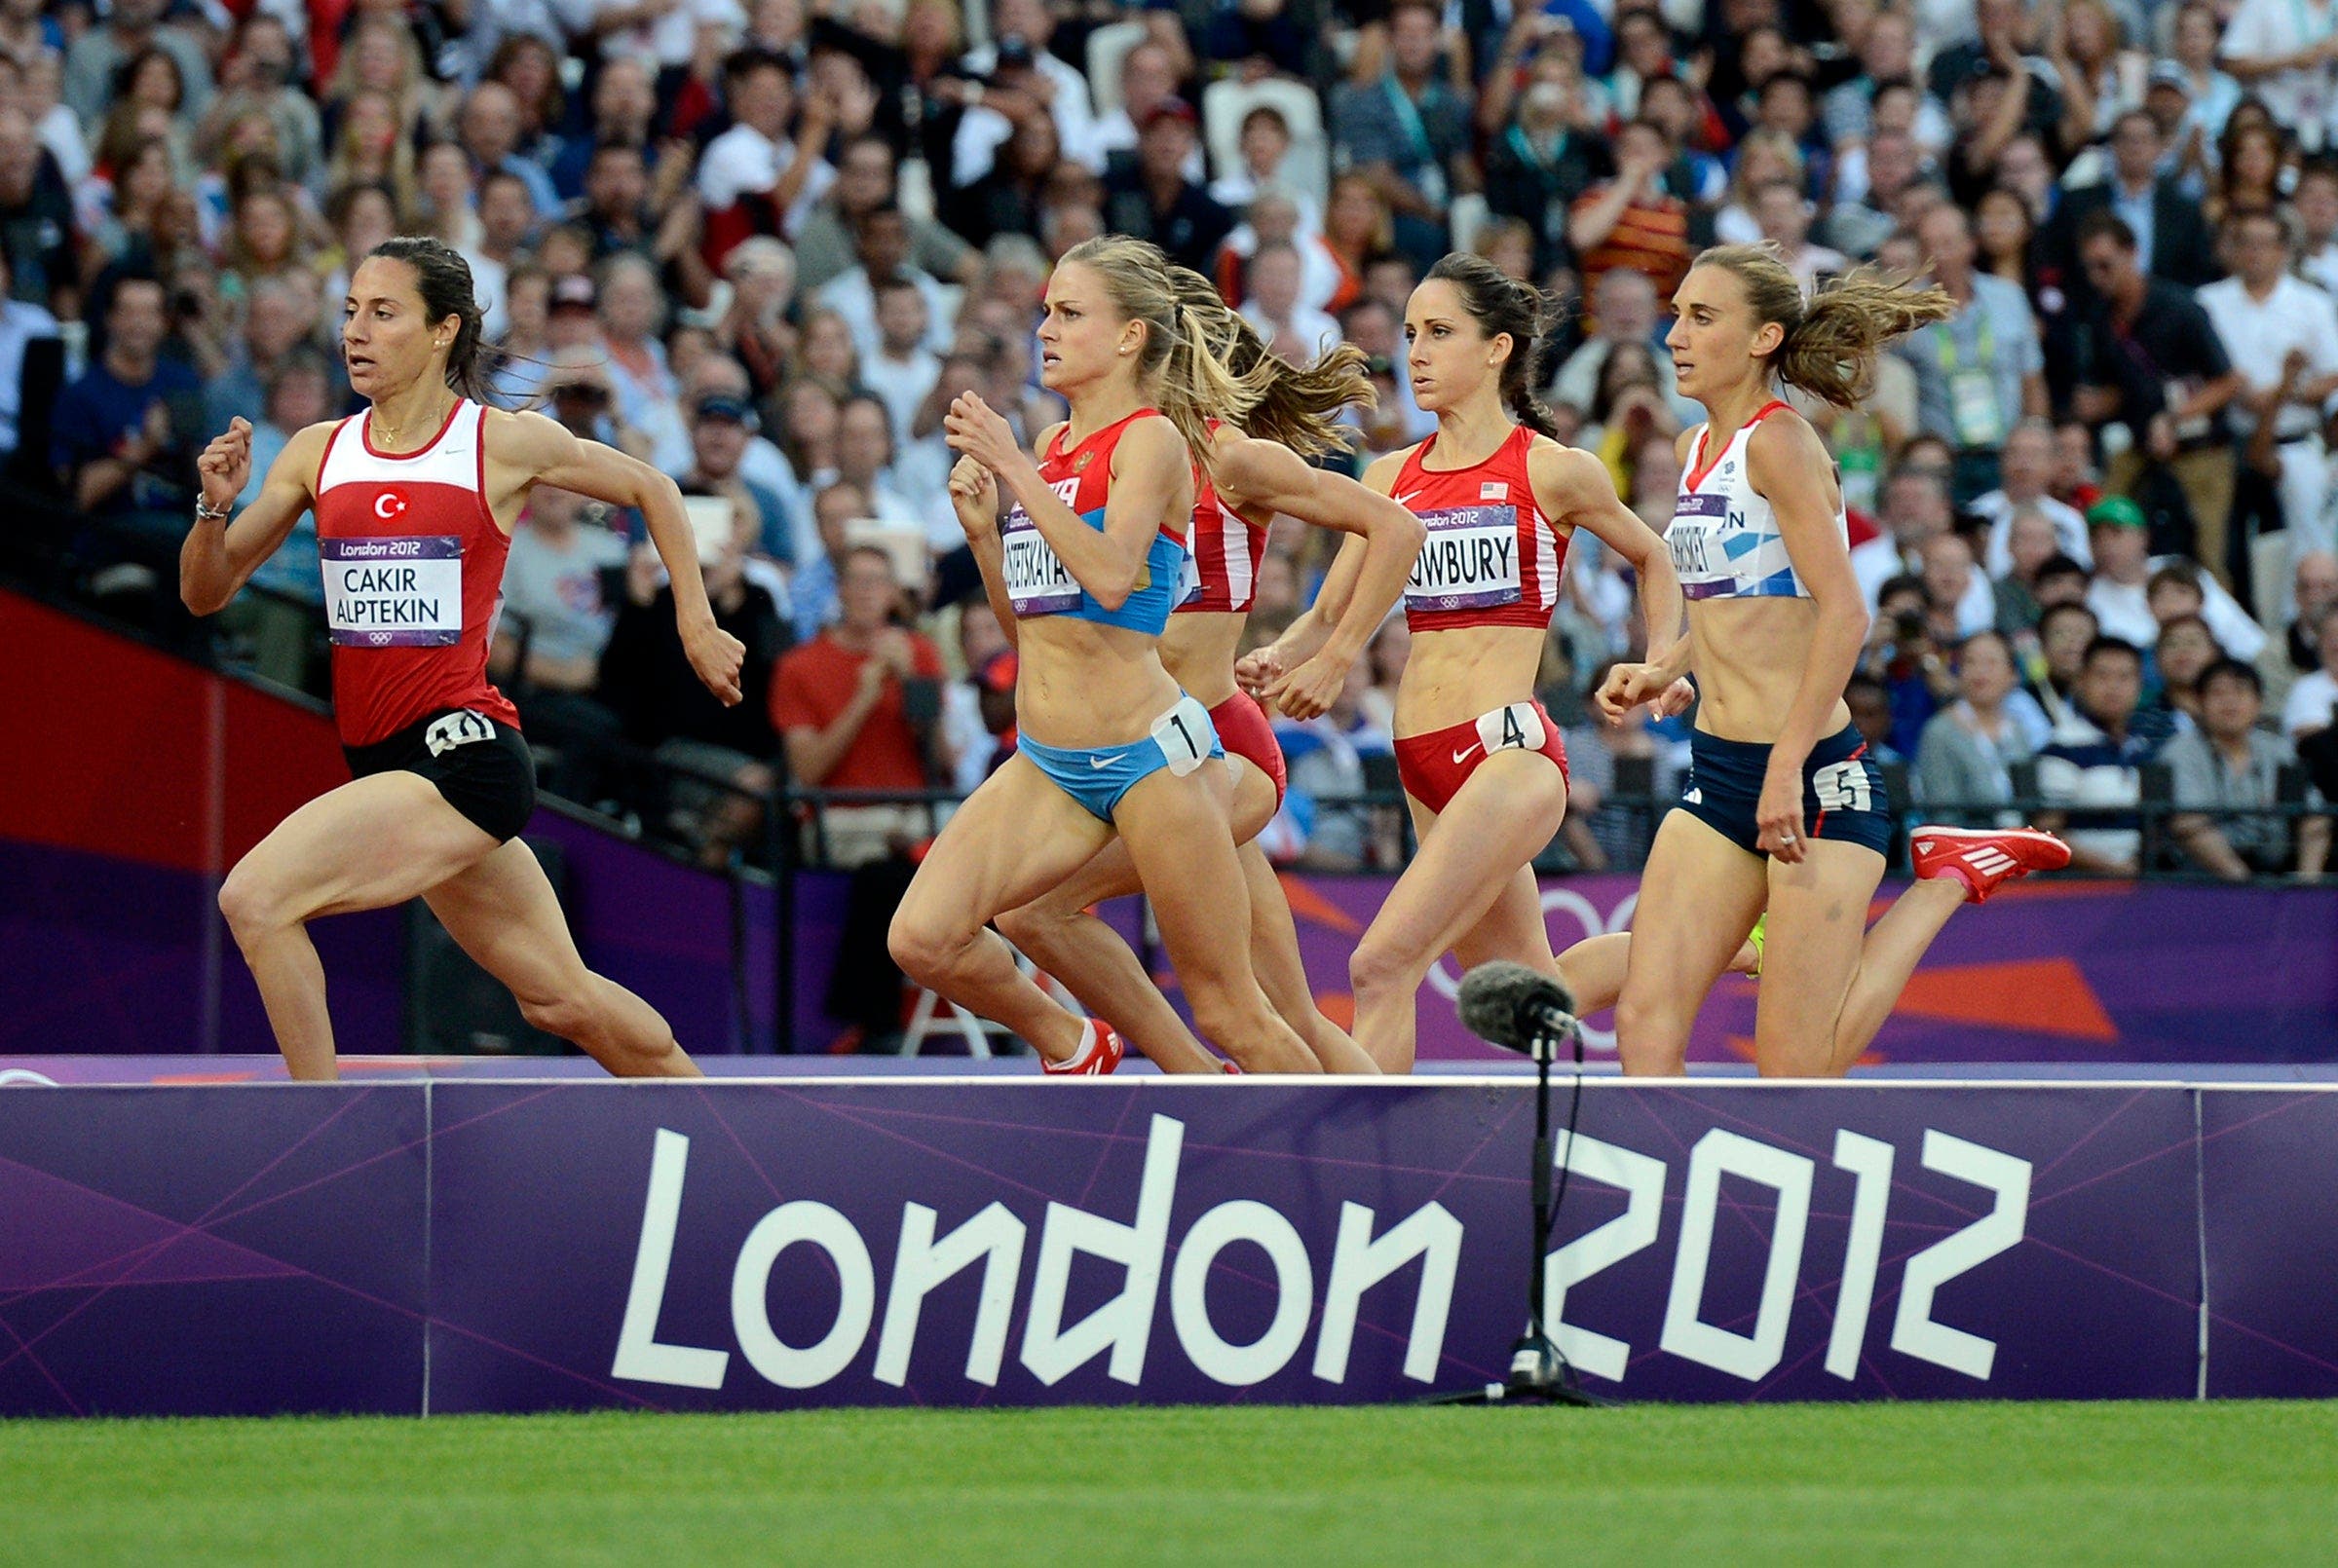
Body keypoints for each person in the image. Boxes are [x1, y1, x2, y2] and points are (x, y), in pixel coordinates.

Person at [177, 237, 745, 1080]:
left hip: (463, 756)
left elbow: (654, 488)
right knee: (560, 999)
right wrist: (212, 511)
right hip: (386, 766)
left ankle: (322, 1136)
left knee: (256, 900)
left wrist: (693, 622)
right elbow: (204, 594)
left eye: (382, 313)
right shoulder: (318, 451)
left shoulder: (499, 442)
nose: (355, 332)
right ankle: (727, 1125)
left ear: (443, 331)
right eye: (349, 313)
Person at [1601, 244, 2068, 1079]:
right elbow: (1735, 602)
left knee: (1796, 1072)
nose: (1675, 333)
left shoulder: (1780, 443)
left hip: (1811, 773)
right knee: (1645, 1022)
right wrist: (1667, 664)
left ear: (1763, 337)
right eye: (1676, 313)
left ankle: (1947, 880)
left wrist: (1784, 771)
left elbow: (1846, 614)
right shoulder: (1695, 442)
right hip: (1722, 768)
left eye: (1701, 317)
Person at [889, 235, 1321, 1075]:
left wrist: (1011, 468)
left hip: (1151, 757)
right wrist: (985, 540)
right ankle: (1074, 1041)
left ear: (1129, 337)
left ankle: (1352, 1182)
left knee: (1236, 1015)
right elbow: (1034, 634)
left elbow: (1116, 580)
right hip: (1048, 760)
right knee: (922, 938)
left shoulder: (1151, 440)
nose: (1044, 329)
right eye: (1047, 311)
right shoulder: (1053, 447)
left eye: (1069, 313)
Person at [1243, 252, 1684, 1072]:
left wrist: (1659, 661)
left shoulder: (1552, 469)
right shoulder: (1389, 476)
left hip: (1505, 755)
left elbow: (1655, 559)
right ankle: (1725, 941)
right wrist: (1278, 654)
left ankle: (1369, 1173)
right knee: (1525, 998)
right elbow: (1331, 611)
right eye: (1410, 334)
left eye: (1439, 333)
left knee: (1380, 967)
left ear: (1497, 350)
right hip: (1421, 765)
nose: (1415, 352)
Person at [995, 266, 1425, 1075]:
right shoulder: (1097, 455)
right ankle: (1366, 1146)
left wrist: (1327, 654)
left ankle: (1189, 1076)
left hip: (1215, 752)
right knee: (1284, 1016)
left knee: (1035, 911)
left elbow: (1394, 528)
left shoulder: (1231, 459)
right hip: (1135, 750)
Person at [2036, 635, 2160, 875]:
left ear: (2139, 685)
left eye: (2124, 677)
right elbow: (2048, 833)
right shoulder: (2063, 746)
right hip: (2082, 888)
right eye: (2102, 676)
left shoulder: (2143, 746)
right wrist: (2114, 868)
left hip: (2142, 883)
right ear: (2081, 681)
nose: (2113, 687)